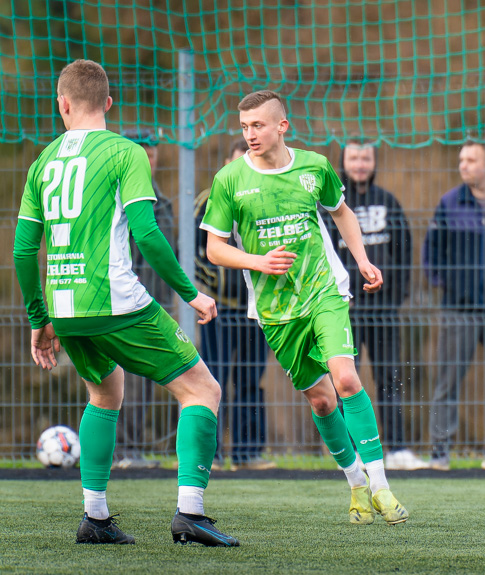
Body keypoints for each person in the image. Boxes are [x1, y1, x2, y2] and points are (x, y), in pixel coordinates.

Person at [12, 59, 238, 546]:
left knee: (105, 394)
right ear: (108, 103)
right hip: (118, 301)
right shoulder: (125, 152)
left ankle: (94, 517)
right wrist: (192, 293)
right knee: (203, 391)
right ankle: (190, 513)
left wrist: (39, 317)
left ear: (63, 104)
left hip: (66, 308)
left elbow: (23, 250)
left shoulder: (42, 163)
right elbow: (148, 235)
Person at [201, 90, 408, 525]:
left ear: (281, 126)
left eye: (257, 125)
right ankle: (355, 484)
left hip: (324, 291)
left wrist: (363, 259)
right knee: (321, 402)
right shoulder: (230, 180)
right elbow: (214, 249)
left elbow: (342, 213)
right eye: (243, 127)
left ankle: (383, 487)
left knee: (347, 379)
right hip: (276, 311)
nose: (249, 134)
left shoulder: (314, 166)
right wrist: (258, 262)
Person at [326, 140, 426, 470]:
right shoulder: (333, 205)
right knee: (343, 382)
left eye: (365, 157)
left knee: (388, 378)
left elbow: (403, 250)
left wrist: (394, 299)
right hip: (342, 311)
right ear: (343, 161)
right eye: (353, 157)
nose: (359, 163)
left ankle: (396, 448)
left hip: (383, 312)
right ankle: (348, 453)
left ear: (373, 162)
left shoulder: (388, 201)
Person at [423, 141, 485, 471]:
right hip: (458, 310)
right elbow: (431, 251)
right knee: (447, 381)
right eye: (461, 160)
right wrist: (443, 284)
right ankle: (440, 451)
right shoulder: (450, 203)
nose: (463, 165)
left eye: (470, 160)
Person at [195, 139, 273, 470]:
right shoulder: (207, 202)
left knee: (251, 380)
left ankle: (248, 453)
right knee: (213, 381)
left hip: (256, 310)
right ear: (228, 163)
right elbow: (194, 250)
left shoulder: (267, 200)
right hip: (220, 308)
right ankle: (210, 454)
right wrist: (213, 286)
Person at [111, 128, 173, 470]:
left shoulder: (162, 200)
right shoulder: (120, 196)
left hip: (155, 302)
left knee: (145, 381)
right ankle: (122, 451)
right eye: (142, 152)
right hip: (124, 301)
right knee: (124, 380)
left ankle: (130, 449)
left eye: (153, 152)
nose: (149, 157)